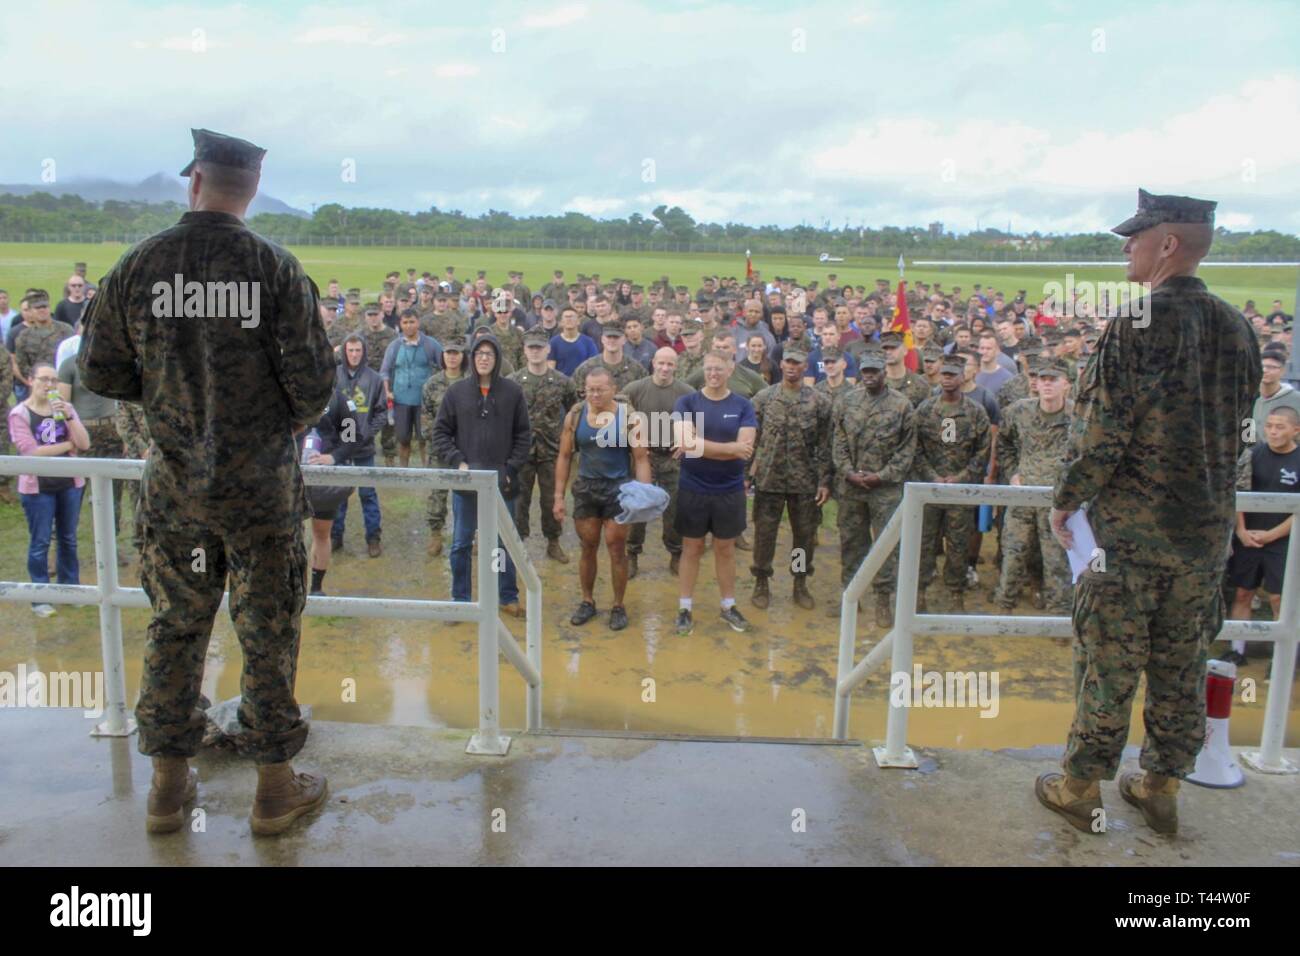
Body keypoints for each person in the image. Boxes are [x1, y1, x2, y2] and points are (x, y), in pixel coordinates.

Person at [78, 129, 337, 836]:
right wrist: (271, 423)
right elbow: (314, 385)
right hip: (258, 494)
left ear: (193, 180)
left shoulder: (139, 266)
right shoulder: (273, 268)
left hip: (175, 491)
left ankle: (166, 788)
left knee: (175, 629)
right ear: (249, 189)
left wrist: (169, 400)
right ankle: (274, 791)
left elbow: (98, 373)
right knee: (268, 632)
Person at [1043, 188, 1260, 837]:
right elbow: (1237, 429)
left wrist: (1066, 501)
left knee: (1108, 658)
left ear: (1168, 243)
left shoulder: (1135, 322)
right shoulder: (1238, 327)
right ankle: (1161, 784)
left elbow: (1100, 434)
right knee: (1181, 661)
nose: (1125, 246)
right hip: (1203, 538)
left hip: (1127, 537)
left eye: (1135, 236)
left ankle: (1080, 786)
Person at [431, 333, 531, 619]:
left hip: (503, 483)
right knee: (461, 543)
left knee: (502, 544)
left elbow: (523, 435)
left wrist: (511, 469)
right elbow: (440, 433)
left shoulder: (512, 392)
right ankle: (460, 599)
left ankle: (507, 595)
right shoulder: (457, 393)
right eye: (479, 353)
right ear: (471, 358)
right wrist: (458, 463)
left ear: (497, 358)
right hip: (467, 483)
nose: (484, 358)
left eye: (489, 353)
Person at [553, 368, 652, 630]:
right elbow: (564, 456)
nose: (594, 394)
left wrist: (643, 495)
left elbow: (641, 458)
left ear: (613, 389)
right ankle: (587, 601)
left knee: (616, 547)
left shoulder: (629, 417)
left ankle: (618, 605)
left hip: (618, 488)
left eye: (600, 389)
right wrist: (558, 497)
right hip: (586, 487)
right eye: (590, 389)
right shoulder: (575, 415)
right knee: (588, 545)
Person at [671, 351, 758, 635]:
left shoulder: (743, 405)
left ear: (730, 370)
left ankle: (728, 605)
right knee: (691, 548)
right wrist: (728, 448)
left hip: (729, 490)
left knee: (725, 549)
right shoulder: (687, 402)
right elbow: (685, 441)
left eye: (719, 369)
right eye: (708, 369)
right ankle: (685, 607)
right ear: (703, 370)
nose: (713, 374)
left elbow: (744, 451)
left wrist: (701, 445)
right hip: (693, 487)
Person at [832, 350, 917, 626]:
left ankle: (883, 599)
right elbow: (838, 443)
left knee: (885, 546)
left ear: (884, 373)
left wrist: (881, 476)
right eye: (865, 372)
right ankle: (850, 597)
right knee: (851, 542)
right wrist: (848, 472)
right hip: (852, 488)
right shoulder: (847, 401)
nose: (869, 376)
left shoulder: (902, 405)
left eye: (874, 372)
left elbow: (906, 451)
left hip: (885, 489)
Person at [747, 346, 832, 611]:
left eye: (798, 363)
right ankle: (761, 580)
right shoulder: (764, 398)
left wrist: (824, 481)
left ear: (805, 367)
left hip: (804, 482)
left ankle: (799, 581)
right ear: (781, 364)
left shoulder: (819, 402)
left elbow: (825, 445)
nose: (792, 367)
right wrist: (746, 475)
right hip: (769, 479)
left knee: (803, 537)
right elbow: (751, 438)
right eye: (788, 362)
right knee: (764, 533)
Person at [8, 363, 91, 617]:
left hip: (69, 484)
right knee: (40, 541)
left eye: (54, 380)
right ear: (31, 381)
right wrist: (67, 445)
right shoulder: (20, 414)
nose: (49, 385)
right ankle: (40, 598)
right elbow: (32, 452)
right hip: (37, 487)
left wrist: (67, 417)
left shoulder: (67, 409)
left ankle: (70, 590)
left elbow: (85, 444)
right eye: (44, 379)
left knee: (68, 539)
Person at [992, 358, 1073, 614]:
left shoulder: (1078, 415)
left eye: (1053, 380)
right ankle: (1004, 608)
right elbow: (1003, 443)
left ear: (1066, 385)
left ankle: (1058, 614)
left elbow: (1087, 453)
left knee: (1056, 561)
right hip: (1023, 497)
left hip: (1057, 501)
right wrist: (1012, 472)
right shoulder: (1019, 411)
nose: (1046, 384)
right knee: (1013, 555)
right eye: (1042, 379)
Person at [914, 358, 992, 612]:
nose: (947, 378)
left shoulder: (975, 411)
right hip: (930, 490)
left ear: (962, 378)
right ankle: (920, 591)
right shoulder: (925, 410)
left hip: (960, 490)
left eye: (952, 375)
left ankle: (956, 592)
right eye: (944, 374)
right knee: (924, 543)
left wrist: (961, 477)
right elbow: (915, 449)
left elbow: (983, 450)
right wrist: (932, 475)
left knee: (958, 545)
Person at [1224, 406, 1300, 664]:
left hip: (1283, 540)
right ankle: (1237, 651)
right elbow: (1238, 495)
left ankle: (1281, 659)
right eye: (1269, 426)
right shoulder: (1252, 455)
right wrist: (1241, 531)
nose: (1274, 432)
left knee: (1280, 598)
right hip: (1248, 538)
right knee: (1244, 593)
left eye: (1280, 427)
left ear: (1295, 430)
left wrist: (1271, 536)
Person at [624, 347, 695, 578]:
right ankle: (632, 553)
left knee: (673, 510)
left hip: (673, 460)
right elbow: (618, 413)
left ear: (676, 366)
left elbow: (697, 418)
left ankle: (675, 553)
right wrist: (634, 439)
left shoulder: (686, 392)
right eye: (661, 363)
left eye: (670, 364)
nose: (665, 368)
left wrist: (687, 439)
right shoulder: (636, 388)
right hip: (644, 457)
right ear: (653, 362)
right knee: (638, 506)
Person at [510, 327, 578, 563]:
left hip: (552, 451)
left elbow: (574, 410)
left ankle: (553, 542)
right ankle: (518, 543)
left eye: (540, 347)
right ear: (525, 350)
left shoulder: (562, 382)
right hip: (521, 452)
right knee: (519, 499)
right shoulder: (513, 382)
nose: (536, 351)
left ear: (548, 349)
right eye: (531, 347)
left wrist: (568, 439)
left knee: (552, 499)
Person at [56, 348, 125, 561]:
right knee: (72, 495)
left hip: (111, 431)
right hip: (83, 431)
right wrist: (66, 438)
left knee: (112, 496)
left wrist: (124, 435)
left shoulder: (114, 362)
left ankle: (109, 547)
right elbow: (61, 406)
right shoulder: (69, 365)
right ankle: (60, 551)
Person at [329, 334, 387, 557]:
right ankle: (336, 536)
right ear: (344, 351)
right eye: (350, 350)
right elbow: (326, 408)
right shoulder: (334, 376)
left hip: (364, 447)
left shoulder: (374, 379)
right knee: (338, 494)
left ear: (363, 352)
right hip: (339, 447)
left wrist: (367, 433)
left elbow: (381, 413)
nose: (354, 355)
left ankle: (373, 537)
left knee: (368, 493)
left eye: (358, 351)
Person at [379, 308, 442, 472]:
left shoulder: (430, 344)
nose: (409, 326)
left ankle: (425, 472)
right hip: (401, 401)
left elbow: (445, 366)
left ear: (418, 323)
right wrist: (387, 392)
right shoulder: (394, 346)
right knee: (403, 439)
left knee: (423, 439)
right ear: (400, 324)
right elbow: (384, 372)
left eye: (412, 322)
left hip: (424, 402)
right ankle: (403, 472)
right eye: (405, 322)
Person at [548, 305, 598, 377]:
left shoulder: (588, 342)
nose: (569, 319)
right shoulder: (553, 343)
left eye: (572, 317)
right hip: (561, 384)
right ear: (561, 322)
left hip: (582, 383)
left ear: (578, 321)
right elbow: (550, 370)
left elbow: (594, 367)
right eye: (566, 317)